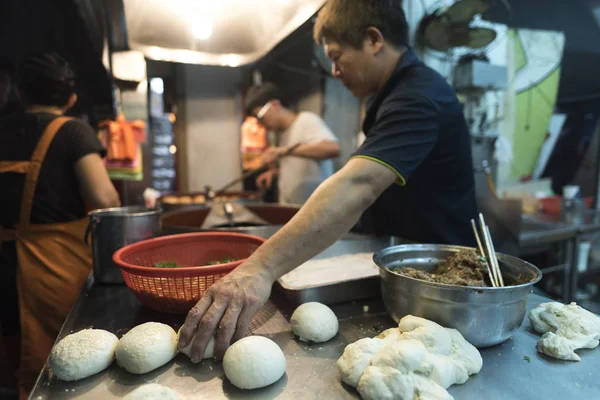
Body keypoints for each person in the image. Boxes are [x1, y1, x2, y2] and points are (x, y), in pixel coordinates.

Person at [178, 0, 477, 362]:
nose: (334, 71)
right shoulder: (394, 96)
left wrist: (260, 268)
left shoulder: (418, 98)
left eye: (337, 57)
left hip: (443, 285)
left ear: (373, 40)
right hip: (407, 272)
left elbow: (358, 185)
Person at [0, 52, 120, 398]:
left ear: (20, 93)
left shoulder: (3, 128)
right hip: (51, 269)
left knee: (13, 358)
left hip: (5, 267)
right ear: (71, 97)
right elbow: (106, 199)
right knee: (62, 367)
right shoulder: (73, 132)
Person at [244, 83, 341, 205]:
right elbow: (299, 168)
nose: (261, 123)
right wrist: (274, 173)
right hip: (292, 208)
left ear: (274, 105)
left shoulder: (307, 120)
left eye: (260, 117)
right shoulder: (283, 134)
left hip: (314, 210)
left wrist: (284, 151)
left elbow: (333, 148)